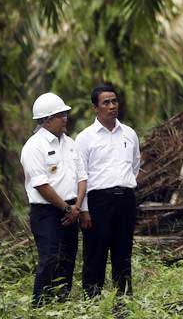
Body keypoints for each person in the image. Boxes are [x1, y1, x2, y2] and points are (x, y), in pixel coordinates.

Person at [20, 92, 88, 306]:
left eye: (65, 114)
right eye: (61, 115)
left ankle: (62, 304)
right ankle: (40, 305)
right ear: (47, 119)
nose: (66, 118)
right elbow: (40, 184)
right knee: (49, 259)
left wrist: (75, 207)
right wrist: (66, 209)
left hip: (72, 208)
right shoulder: (34, 146)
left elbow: (82, 176)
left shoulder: (70, 143)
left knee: (67, 260)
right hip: (47, 213)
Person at [75, 84, 141, 297]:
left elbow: (135, 165)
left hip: (125, 200)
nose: (112, 106)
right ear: (96, 108)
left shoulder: (129, 134)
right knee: (95, 253)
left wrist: (124, 184)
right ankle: (92, 300)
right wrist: (83, 209)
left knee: (123, 252)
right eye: (106, 103)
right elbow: (80, 174)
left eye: (114, 101)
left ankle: (124, 300)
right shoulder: (85, 138)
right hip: (97, 202)